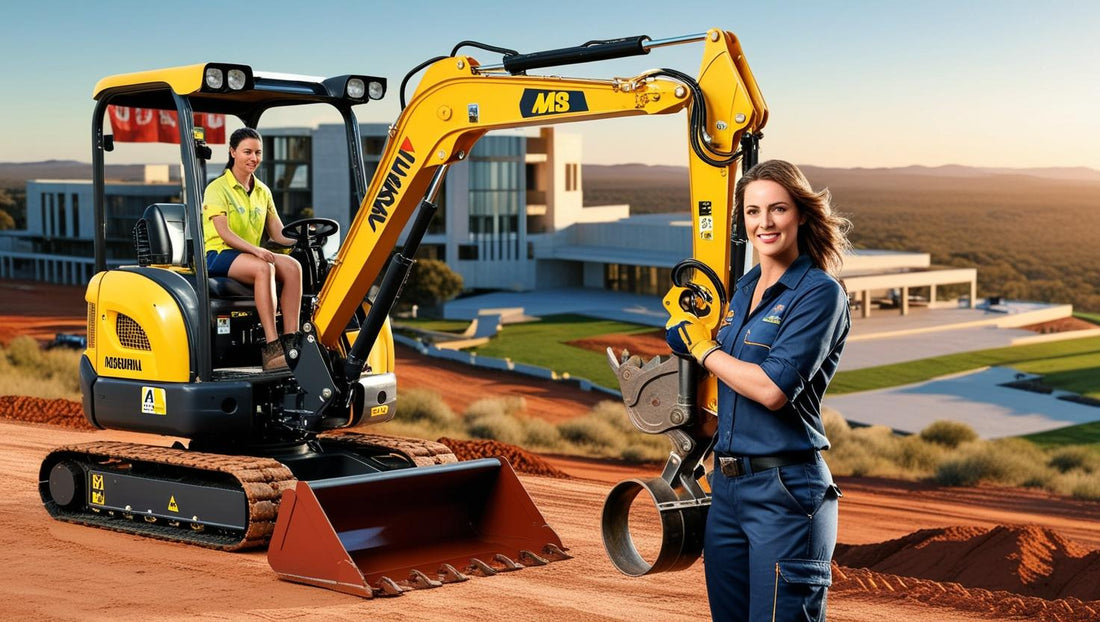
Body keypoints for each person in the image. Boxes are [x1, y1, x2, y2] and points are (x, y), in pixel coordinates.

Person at [666, 160, 852, 621]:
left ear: (802, 214)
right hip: (727, 488)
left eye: (778, 209)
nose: (764, 222)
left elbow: (771, 389)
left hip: (784, 490)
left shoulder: (819, 293)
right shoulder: (743, 289)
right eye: (752, 211)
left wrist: (702, 347)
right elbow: (730, 384)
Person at [203, 127, 302, 371]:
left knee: (293, 267)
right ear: (232, 152)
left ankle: (292, 341)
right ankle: (272, 348)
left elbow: (278, 233)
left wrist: (303, 238)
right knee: (263, 268)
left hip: (248, 255)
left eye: (258, 153)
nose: (253, 158)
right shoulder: (217, 188)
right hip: (218, 254)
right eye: (247, 152)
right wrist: (256, 251)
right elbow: (224, 232)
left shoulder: (262, 191)